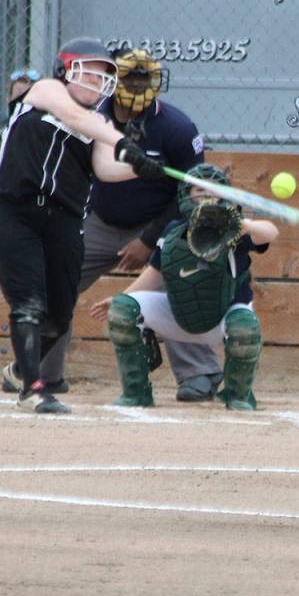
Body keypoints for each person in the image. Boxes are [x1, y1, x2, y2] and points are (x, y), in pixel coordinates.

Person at [9, 47, 224, 403]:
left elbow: (189, 196)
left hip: (160, 223)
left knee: (181, 275)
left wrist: (150, 239)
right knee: (54, 280)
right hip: (101, 220)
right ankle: (42, 372)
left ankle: (199, 372)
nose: (137, 86)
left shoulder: (177, 128)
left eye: (144, 78)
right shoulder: (92, 115)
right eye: (129, 78)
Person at [0, 37, 166, 414]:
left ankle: (20, 370)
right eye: (90, 73)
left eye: (103, 77)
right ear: (66, 71)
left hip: (64, 220)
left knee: (59, 312)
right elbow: (76, 118)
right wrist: (125, 144)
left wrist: (145, 168)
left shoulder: (100, 124)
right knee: (29, 302)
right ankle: (33, 389)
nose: (97, 82)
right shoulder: (45, 91)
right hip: (16, 211)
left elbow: (105, 168)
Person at [88, 163, 278, 411]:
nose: (206, 194)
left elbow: (270, 232)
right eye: (198, 189)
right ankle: (136, 393)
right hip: (179, 315)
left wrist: (245, 225)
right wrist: (121, 298)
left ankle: (238, 396)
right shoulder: (173, 231)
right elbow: (154, 274)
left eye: (213, 189)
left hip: (223, 320)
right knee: (124, 308)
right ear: (186, 195)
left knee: (245, 326)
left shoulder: (234, 230)